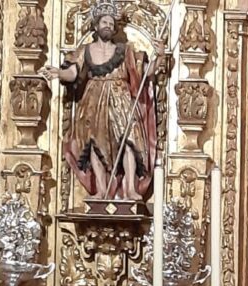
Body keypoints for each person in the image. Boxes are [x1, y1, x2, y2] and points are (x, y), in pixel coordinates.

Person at [40, 0, 162, 201]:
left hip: (121, 96)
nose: (109, 25)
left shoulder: (126, 51)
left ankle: (130, 188)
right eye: (105, 22)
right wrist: (58, 73)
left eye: (112, 23)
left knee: (130, 139)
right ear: (96, 26)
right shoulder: (85, 51)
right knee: (93, 142)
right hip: (93, 100)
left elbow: (146, 73)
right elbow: (73, 73)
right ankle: (102, 189)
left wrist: (159, 56)